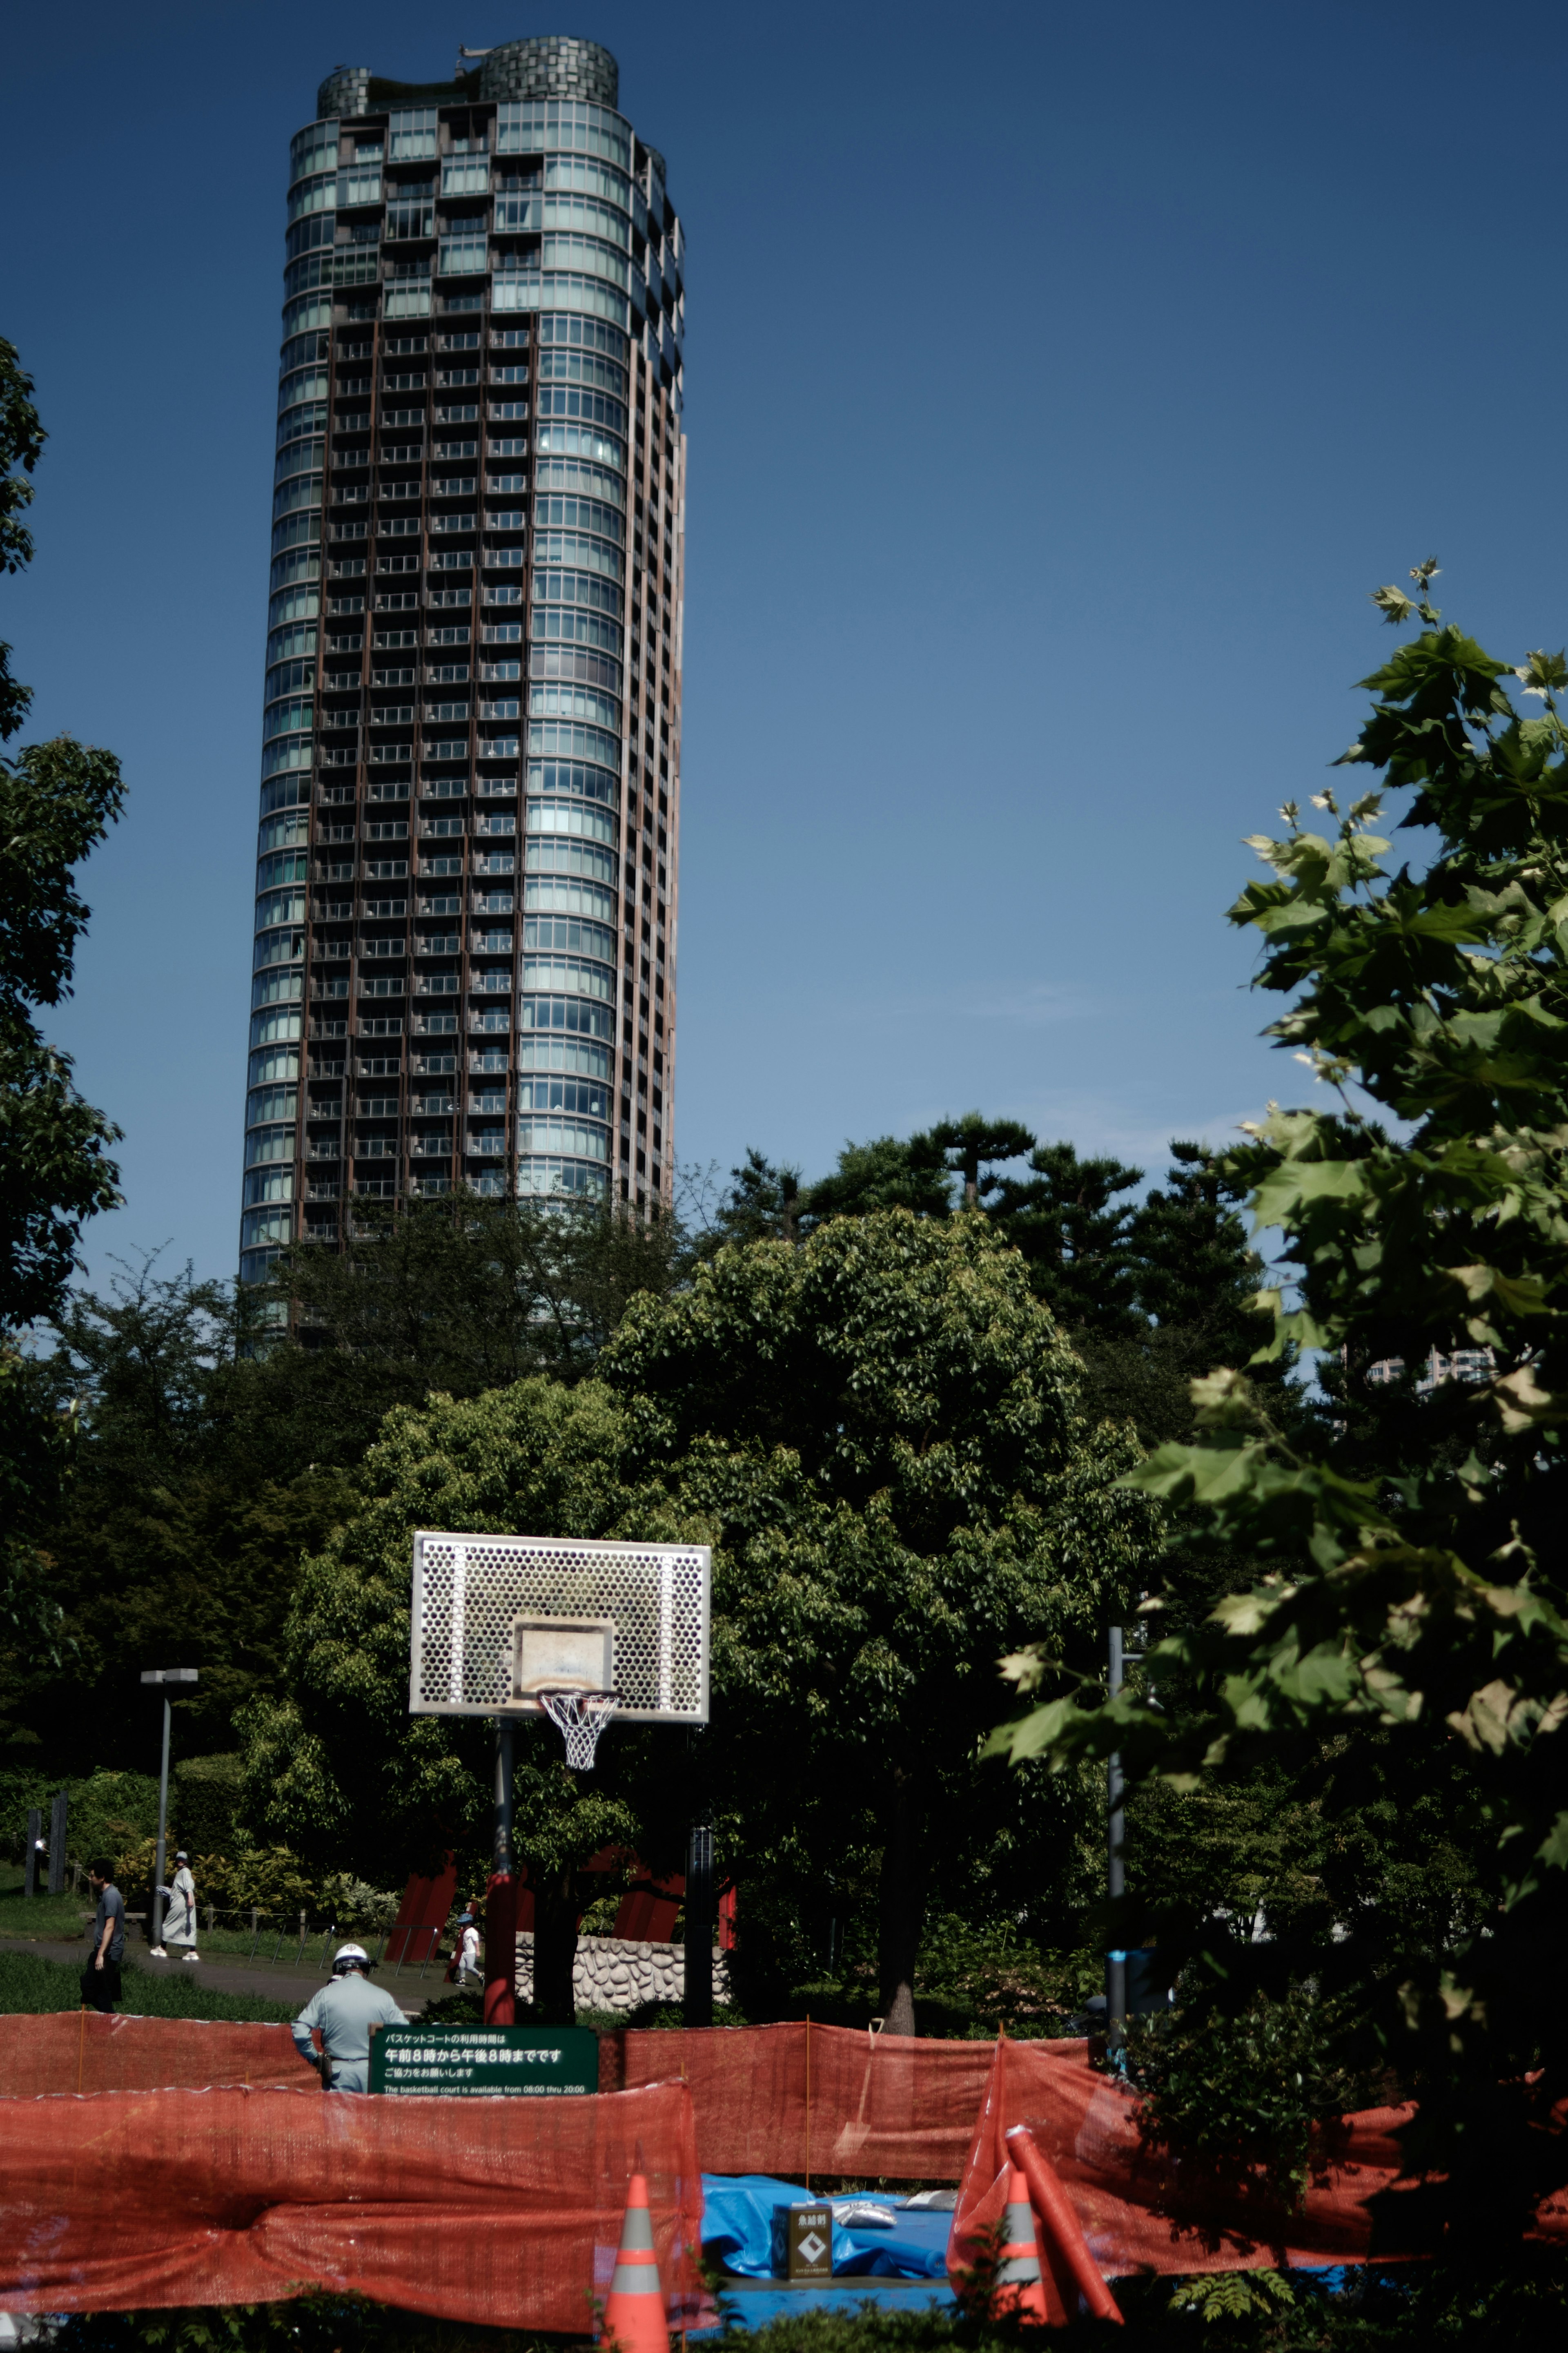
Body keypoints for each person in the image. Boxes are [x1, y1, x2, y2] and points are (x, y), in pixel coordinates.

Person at [291, 1944, 406, 2093]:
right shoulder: (383, 1997)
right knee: (371, 2116)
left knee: (339, 2117)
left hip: (338, 2072)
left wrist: (314, 2058)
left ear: (338, 1968)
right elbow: (405, 2035)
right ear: (365, 1969)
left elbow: (300, 2032)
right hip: (374, 2072)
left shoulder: (325, 1995)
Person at [81, 1858, 125, 2013]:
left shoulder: (111, 1896)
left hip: (109, 1952)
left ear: (102, 1878)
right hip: (101, 1949)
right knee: (88, 1987)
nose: (90, 1878)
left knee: (102, 1994)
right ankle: (107, 2020)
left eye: (92, 1876)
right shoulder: (104, 1895)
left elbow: (110, 1926)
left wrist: (101, 1955)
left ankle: (111, 2024)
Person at [163, 1851, 199, 1962]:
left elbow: (189, 1886)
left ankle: (162, 1948)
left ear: (186, 1861)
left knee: (168, 1924)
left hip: (181, 1904)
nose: (180, 1861)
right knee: (189, 1925)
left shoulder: (185, 1872)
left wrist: (190, 1898)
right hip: (182, 1902)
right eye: (179, 1859)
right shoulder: (182, 1872)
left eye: (182, 1859)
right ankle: (192, 1951)